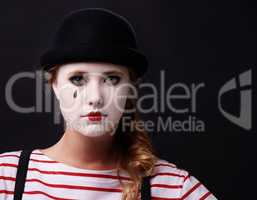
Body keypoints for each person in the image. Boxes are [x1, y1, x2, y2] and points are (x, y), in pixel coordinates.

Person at [0, 8, 217, 200]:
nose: (95, 97)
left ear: (130, 88)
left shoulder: (174, 188)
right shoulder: (7, 177)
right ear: (55, 85)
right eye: (77, 79)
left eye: (112, 79)